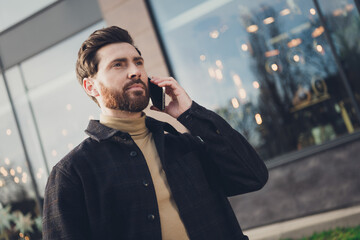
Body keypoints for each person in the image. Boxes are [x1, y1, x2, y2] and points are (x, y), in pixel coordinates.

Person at [42, 26, 268, 240]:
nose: (135, 72)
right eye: (118, 65)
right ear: (90, 87)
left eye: (138, 62)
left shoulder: (183, 146)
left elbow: (252, 176)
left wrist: (191, 113)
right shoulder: (73, 173)